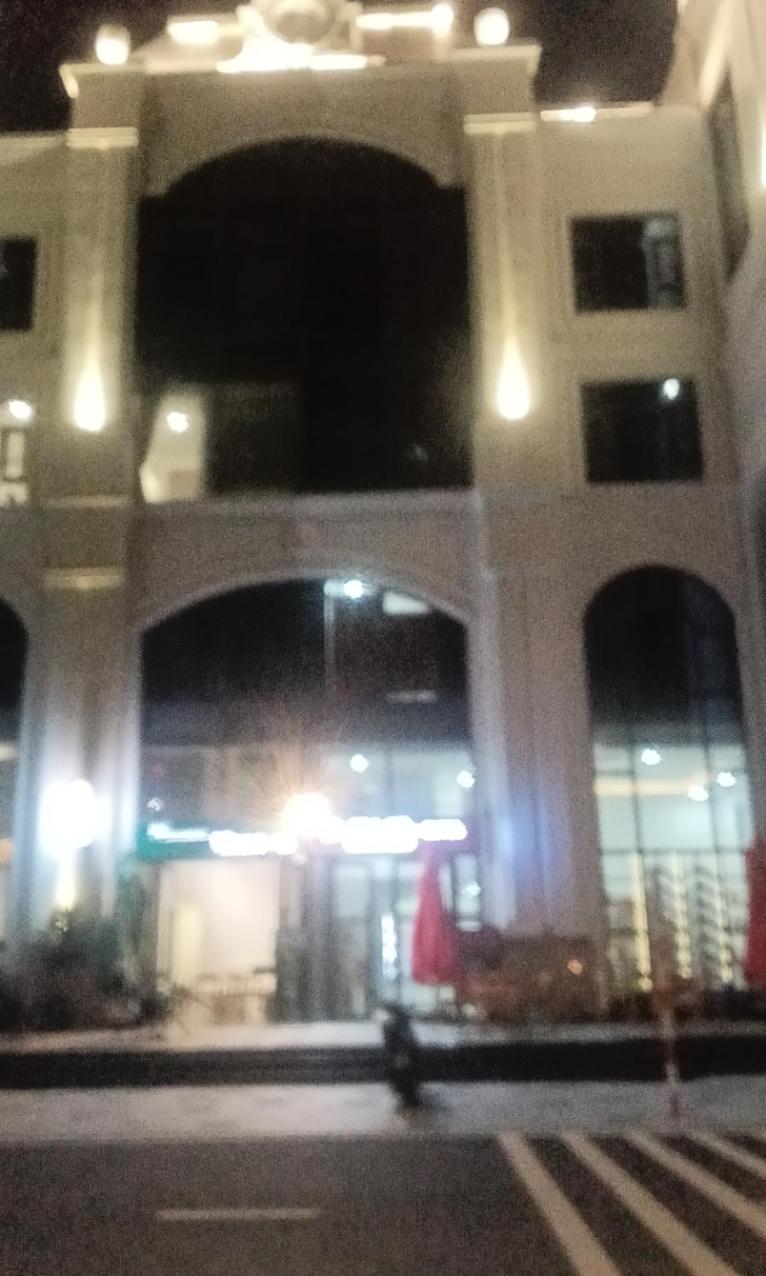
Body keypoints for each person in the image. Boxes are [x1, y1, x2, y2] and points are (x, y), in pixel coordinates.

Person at [379, 1002, 422, 1108]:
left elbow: (392, 1040)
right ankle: (409, 1096)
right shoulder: (400, 1023)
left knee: (402, 1075)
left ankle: (407, 1096)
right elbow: (408, 1040)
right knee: (405, 1075)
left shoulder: (391, 1024)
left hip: (401, 1054)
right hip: (403, 1054)